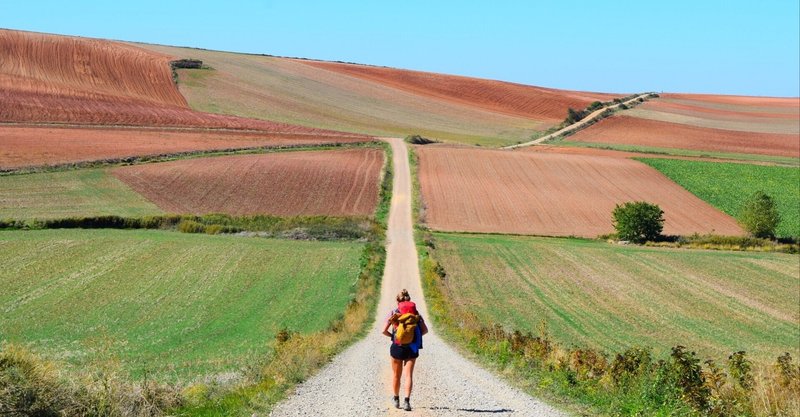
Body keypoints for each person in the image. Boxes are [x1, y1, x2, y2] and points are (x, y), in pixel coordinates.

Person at [382, 289, 428, 411]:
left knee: (397, 375)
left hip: (397, 347)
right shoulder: (416, 315)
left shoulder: (393, 313)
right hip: (412, 348)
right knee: (409, 375)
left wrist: (393, 336)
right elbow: (425, 330)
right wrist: (413, 337)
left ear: (398, 301)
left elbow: (383, 330)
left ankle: (396, 399)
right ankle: (407, 401)